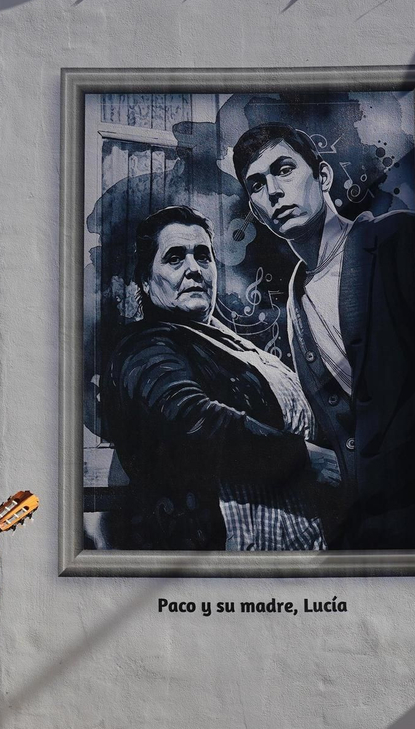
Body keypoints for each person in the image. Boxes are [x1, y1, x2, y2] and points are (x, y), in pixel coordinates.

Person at [99, 205, 340, 551]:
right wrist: (304, 458)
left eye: (203, 256)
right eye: (174, 258)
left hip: (298, 538)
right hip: (211, 552)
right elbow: (189, 420)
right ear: (147, 282)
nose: (193, 269)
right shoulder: (143, 347)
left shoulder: (230, 344)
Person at [232, 122, 415, 550]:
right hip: (365, 526)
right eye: (258, 185)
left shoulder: (394, 240)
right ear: (255, 208)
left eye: (284, 170)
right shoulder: (294, 305)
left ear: (322, 177)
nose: (275, 192)